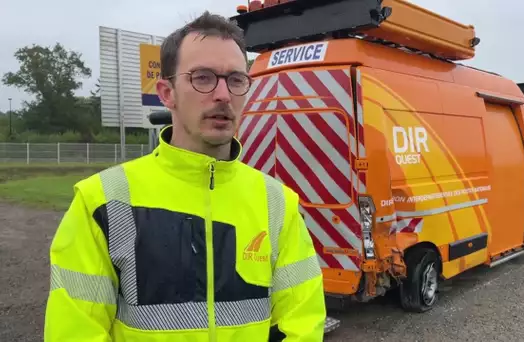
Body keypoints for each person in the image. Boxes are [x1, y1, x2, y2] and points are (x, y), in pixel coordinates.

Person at [43, 11, 326, 342]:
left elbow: (303, 323)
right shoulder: (101, 202)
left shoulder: (277, 203)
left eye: (236, 79)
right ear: (167, 93)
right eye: (203, 78)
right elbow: (74, 333)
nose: (223, 94)